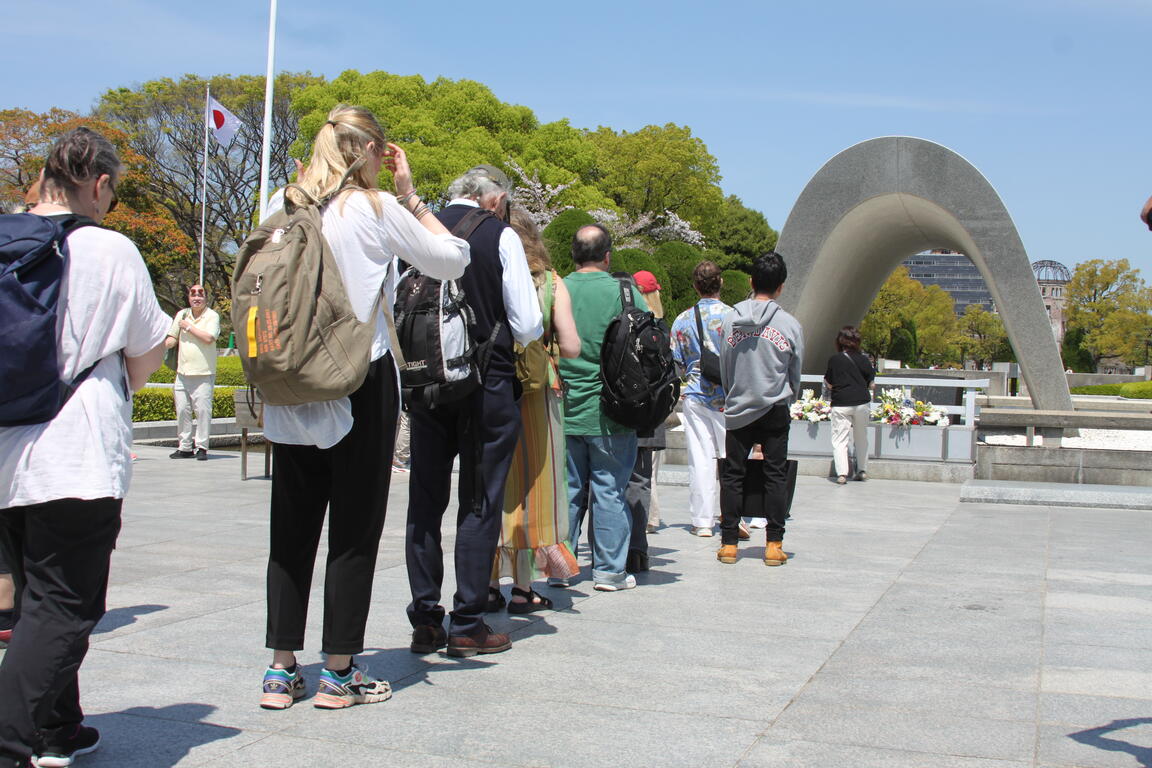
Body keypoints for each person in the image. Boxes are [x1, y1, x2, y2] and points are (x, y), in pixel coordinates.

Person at [259, 105, 469, 710]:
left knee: (291, 526)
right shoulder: (374, 209)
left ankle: (280, 669)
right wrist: (412, 196)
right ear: (373, 151)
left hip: (291, 379)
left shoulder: (284, 202)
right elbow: (453, 259)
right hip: (358, 374)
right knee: (354, 526)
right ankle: (339, 671)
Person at [0, 127, 169, 768]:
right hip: (73, 454)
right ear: (98, 185)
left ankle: (56, 729)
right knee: (65, 606)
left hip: (5, 450)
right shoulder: (109, 249)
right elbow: (147, 350)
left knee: (34, 601)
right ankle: (11, 740)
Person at [405, 166, 542, 657]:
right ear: (495, 199)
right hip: (487, 383)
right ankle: (467, 622)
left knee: (425, 498)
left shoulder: (415, 228)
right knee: (479, 500)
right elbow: (528, 323)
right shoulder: (499, 235)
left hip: (427, 382)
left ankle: (425, 618)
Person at [489, 207, 581, 612]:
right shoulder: (553, 283)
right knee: (532, 489)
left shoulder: (489, 275)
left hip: (493, 386)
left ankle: (488, 584)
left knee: (493, 486)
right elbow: (574, 346)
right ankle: (524, 588)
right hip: (539, 393)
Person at [560, 225, 649, 591]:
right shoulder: (626, 293)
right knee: (609, 489)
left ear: (573, 255)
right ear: (608, 256)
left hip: (562, 407)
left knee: (566, 490)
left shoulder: (555, 288)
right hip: (612, 411)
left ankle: (560, 568)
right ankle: (610, 571)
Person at [716, 252, 804, 567]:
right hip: (775, 406)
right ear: (781, 287)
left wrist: (733, 392)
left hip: (739, 404)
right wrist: (787, 398)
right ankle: (774, 544)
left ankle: (728, 544)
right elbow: (795, 370)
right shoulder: (789, 324)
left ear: (751, 282)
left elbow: (725, 363)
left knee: (733, 475)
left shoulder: (729, 319)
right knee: (775, 475)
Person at [165, 284, 220, 460]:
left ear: (206, 298)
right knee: (182, 411)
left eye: (201, 294)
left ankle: (202, 446)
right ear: (188, 297)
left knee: (203, 411)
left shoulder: (212, 316)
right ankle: (185, 447)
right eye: (193, 294)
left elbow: (209, 338)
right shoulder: (181, 315)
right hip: (182, 372)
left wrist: (188, 327)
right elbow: (172, 338)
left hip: (203, 373)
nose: (197, 297)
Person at [824, 325, 875, 484]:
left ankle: (842, 474)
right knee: (861, 437)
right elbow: (871, 383)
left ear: (839, 341)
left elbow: (829, 382)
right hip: (861, 402)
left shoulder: (835, 359)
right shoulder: (864, 360)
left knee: (840, 439)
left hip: (841, 402)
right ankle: (862, 470)